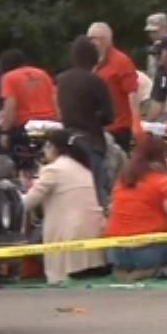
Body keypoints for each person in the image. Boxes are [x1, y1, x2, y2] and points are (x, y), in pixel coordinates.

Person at [105, 134, 167, 282]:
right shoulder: (163, 183)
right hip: (148, 251)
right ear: (163, 155)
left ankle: (127, 271)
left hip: (115, 253)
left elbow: (111, 211)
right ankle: (156, 271)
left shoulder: (122, 182)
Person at [22, 130, 107, 285]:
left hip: (68, 238)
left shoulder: (53, 170)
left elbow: (27, 203)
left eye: (47, 145)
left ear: (54, 147)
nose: (44, 150)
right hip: (93, 235)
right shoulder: (83, 168)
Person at [56, 36, 114, 209]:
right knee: (96, 194)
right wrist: (96, 118)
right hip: (92, 141)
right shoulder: (96, 82)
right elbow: (109, 116)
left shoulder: (61, 80)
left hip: (67, 142)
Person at [0, 48, 58, 165]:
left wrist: (4, 133)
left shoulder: (8, 77)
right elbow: (55, 99)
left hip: (28, 128)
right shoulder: (42, 74)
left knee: (19, 160)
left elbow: (10, 107)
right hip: (50, 126)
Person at [88, 22, 141, 153]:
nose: (90, 43)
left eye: (93, 39)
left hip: (118, 128)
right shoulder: (90, 62)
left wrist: (136, 122)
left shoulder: (121, 62)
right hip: (96, 129)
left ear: (105, 40)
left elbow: (132, 92)